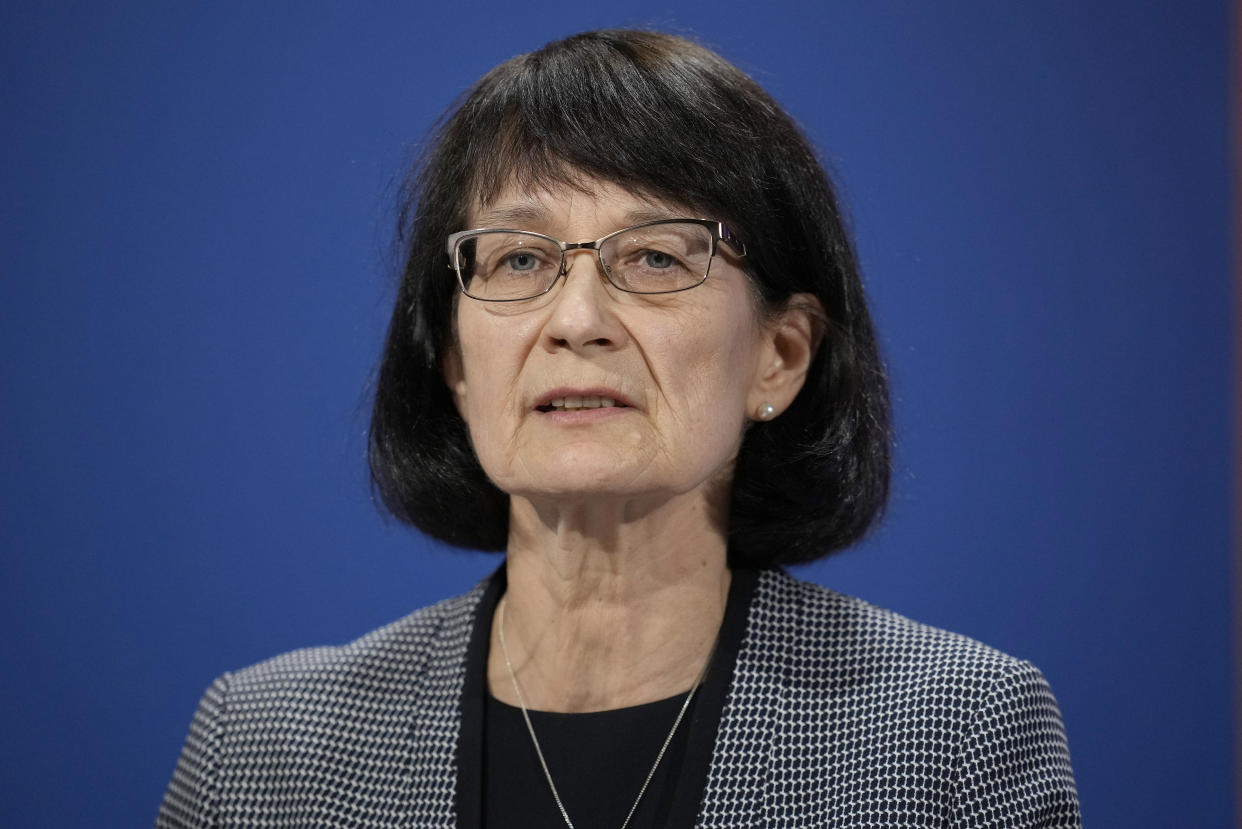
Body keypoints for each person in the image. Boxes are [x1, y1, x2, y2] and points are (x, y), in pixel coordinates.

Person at [157, 29, 1081, 828]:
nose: (576, 318)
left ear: (781, 356)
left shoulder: (952, 738)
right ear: (455, 361)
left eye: (653, 255)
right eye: (521, 257)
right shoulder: (262, 747)